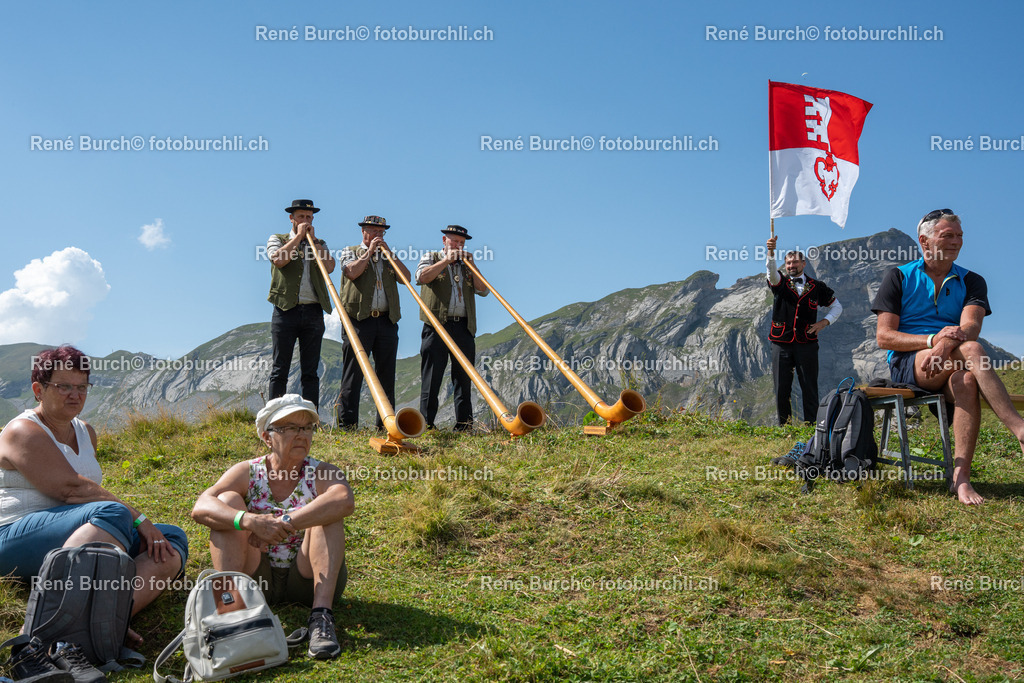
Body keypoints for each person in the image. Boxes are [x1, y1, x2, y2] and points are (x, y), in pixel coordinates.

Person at [0, 346, 188, 637]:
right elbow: (71, 490)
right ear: (39, 389)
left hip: (73, 531)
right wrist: (139, 519)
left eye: (82, 386)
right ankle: (38, 631)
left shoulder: (86, 431)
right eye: (63, 386)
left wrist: (143, 525)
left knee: (170, 541)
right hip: (14, 537)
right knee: (113, 513)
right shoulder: (22, 430)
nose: (74, 395)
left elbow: (85, 496)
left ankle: (105, 620)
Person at [872, 208, 1024, 505]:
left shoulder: (973, 281)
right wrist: (932, 340)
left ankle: (961, 479)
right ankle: (1018, 428)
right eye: (948, 235)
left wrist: (943, 344)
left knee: (967, 379)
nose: (957, 241)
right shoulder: (899, 277)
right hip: (911, 363)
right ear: (924, 241)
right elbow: (884, 337)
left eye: (960, 236)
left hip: (951, 358)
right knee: (972, 350)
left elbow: (971, 327)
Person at [191, 394, 353, 659]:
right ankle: (231, 614)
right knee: (227, 502)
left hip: (307, 576)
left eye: (307, 427)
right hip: (257, 577)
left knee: (329, 510)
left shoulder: (322, 471)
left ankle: (321, 617)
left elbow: (344, 500)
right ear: (267, 437)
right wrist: (250, 521)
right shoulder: (248, 471)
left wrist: (284, 524)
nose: (301, 435)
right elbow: (201, 507)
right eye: (290, 428)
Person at [334, 215, 411, 430]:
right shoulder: (350, 251)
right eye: (374, 231)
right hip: (359, 320)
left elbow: (407, 277)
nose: (378, 235)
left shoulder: (388, 256)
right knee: (353, 373)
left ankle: (386, 425)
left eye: (381, 232)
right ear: (363, 232)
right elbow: (351, 272)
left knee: (386, 374)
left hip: (386, 320)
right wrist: (369, 253)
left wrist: (390, 254)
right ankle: (347, 425)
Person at [415, 225, 489, 431]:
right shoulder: (431, 257)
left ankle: (464, 426)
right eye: (454, 241)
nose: (457, 246)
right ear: (444, 241)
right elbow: (421, 277)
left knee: (464, 378)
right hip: (437, 325)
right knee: (432, 377)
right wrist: (446, 261)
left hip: (463, 326)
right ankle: (426, 425)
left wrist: (472, 264)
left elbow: (483, 290)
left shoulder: (467, 264)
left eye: (461, 243)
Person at [766, 235, 843, 425]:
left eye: (795, 262)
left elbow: (837, 307)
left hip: (807, 343)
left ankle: (811, 426)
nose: (792, 266)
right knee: (781, 387)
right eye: (788, 263)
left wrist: (823, 323)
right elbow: (771, 272)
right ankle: (784, 426)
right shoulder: (780, 282)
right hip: (781, 342)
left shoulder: (817, 287)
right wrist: (771, 252)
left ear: (803, 263)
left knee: (809, 386)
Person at [267, 199, 335, 408]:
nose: (305, 221)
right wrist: (298, 238)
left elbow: (330, 266)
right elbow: (279, 260)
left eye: (308, 217)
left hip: (313, 311)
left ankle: (310, 418)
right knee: (280, 368)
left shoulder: (319, 243)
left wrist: (313, 241)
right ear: (292, 218)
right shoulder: (278, 239)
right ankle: (274, 416)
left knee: (310, 370)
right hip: (286, 310)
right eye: (301, 217)